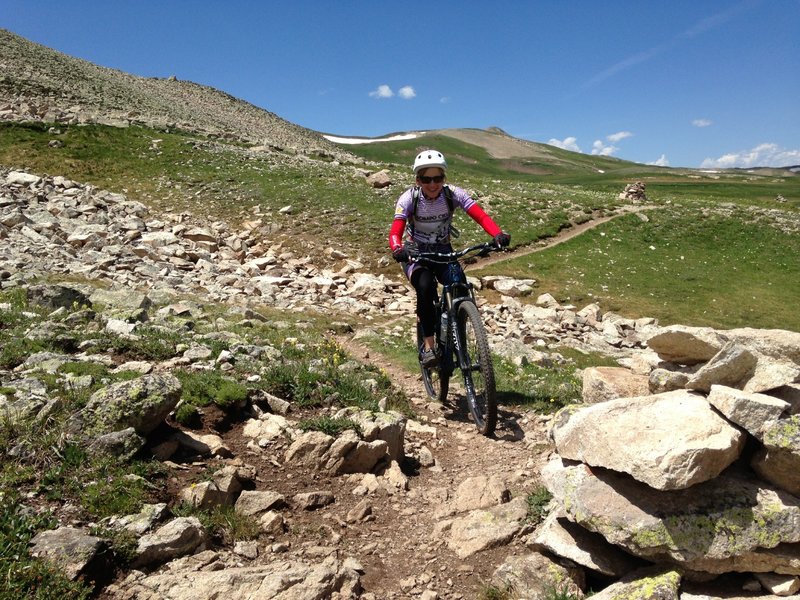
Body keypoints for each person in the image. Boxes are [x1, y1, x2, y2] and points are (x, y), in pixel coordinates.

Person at [388, 149, 510, 367]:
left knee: (460, 285)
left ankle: (460, 334)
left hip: (443, 250)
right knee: (425, 287)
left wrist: (497, 234)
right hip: (415, 254)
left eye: (438, 178)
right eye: (426, 179)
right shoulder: (409, 198)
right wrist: (398, 249)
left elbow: (480, 215)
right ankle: (429, 347)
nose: (433, 184)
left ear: (444, 178)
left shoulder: (453, 194)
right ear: (418, 180)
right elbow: (395, 231)